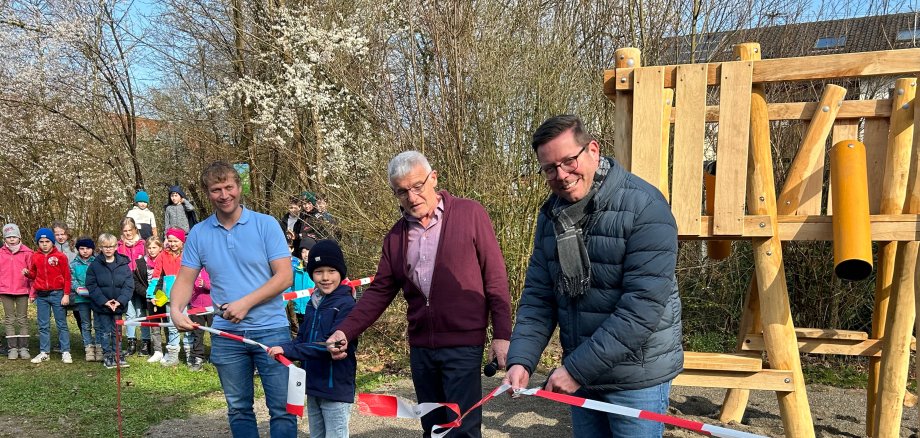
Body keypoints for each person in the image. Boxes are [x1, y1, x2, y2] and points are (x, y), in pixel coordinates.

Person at [503, 115, 683, 437]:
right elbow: (538, 298)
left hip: (634, 376)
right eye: (549, 168)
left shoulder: (646, 208)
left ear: (594, 150)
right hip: (583, 375)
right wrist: (522, 360)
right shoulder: (551, 218)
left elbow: (641, 309)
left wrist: (574, 369)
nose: (562, 175)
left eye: (568, 160)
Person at [325, 151, 512, 438]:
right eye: (402, 191)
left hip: (463, 344)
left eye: (417, 186)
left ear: (433, 178)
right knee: (433, 428)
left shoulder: (470, 213)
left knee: (462, 430)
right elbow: (379, 292)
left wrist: (502, 335)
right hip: (422, 349)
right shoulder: (395, 237)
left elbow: (495, 277)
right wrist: (345, 331)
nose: (411, 197)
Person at [169, 161, 296, 437]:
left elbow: (285, 277)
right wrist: (175, 309)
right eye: (216, 189)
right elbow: (185, 279)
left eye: (229, 187)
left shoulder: (266, 225)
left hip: (271, 329)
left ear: (239, 188)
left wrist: (246, 303)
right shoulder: (199, 234)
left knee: (283, 409)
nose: (224, 195)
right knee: (238, 408)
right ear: (208, 193)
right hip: (225, 334)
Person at [268, 239, 357, 438]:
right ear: (311, 274)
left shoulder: (347, 305)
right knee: (317, 435)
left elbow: (329, 345)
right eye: (318, 272)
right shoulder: (312, 303)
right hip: (313, 385)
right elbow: (301, 339)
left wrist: (289, 351)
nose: (325, 277)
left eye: (331, 271)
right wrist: (282, 348)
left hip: (336, 388)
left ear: (341, 273)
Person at [86, 233, 133, 369]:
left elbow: (129, 285)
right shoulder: (94, 266)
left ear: (116, 246)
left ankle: (118, 353)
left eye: (111, 246)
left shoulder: (124, 264)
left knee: (117, 331)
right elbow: (91, 285)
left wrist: (120, 301)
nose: (108, 249)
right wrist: (104, 301)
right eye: (105, 247)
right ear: (100, 247)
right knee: (105, 331)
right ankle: (108, 354)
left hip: (118, 305)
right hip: (103, 305)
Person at [26, 227, 73, 364]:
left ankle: (65, 351)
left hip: (57, 293)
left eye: (47, 241)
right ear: (38, 243)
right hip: (42, 296)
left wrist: (66, 294)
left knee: (61, 324)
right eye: (41, 241)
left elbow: (67, 277)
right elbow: (35, 275)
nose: (44, 244)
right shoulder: (35, 256)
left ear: (52, 242)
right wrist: (28, 274)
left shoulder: (60, 257)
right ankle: (44, 352)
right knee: (43, 324)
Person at [147, 228, 186, 366]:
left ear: (182, 241)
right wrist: (150, 293)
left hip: (186, 296)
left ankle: (190, 355)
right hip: (170, 297)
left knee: (187, 325)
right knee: (172, 326)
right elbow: (156, 275)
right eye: (170, 241)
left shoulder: (188, 254)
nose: (173, 243)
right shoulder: (163, 255)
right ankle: (173, 356)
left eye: (176, 241)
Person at [117, 217, 150, 356]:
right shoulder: (119, 246)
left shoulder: (143, 244)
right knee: (130, 313)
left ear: (135, 229)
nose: (128, 233)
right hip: (125, 283)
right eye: (125, 231)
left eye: (130, 230)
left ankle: (146, 342)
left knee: (141, 312)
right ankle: (131, 342)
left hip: (140, 283)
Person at [1, 223, 32, 359]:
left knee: (22, 319)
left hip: (22, 290)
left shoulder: (28, 252)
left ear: (19, 237)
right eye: (9, 237)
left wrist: (32, 291)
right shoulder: (1, 253)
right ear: (4, 239)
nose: (12, 239)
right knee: (9, 319)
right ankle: (12, 348)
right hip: (5, 290)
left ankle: (24, 347)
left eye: (14, 236)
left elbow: (33, 273)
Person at [70, 237, 102, 361]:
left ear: (92, 249)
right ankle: (88, 347)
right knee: (85, 324)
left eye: (87, 248)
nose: (85, 251)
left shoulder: (97, 262)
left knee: (98, 324)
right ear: (78, 250)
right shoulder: (74, 264)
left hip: (96, 298)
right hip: (81, 299)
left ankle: (99, 347)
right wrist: (77, 288)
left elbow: (101, 278)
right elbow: (72, 279)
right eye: (82, 249)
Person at [140, 236, 166, 363]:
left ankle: (169, 349)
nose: (151, 250)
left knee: (167, 324)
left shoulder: (166, 259)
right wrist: (148, 294)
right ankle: (157, 350)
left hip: (164, 296)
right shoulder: (142, 262)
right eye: (149, 248)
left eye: (154, 247)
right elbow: (139, 279)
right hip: (150, 297)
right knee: (155, 325)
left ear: (160, 248)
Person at [186, 268, 212, 372]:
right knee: (197, 334)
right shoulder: (192, 269)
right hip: (196, 307)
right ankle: (198, 358)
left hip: (211, 307)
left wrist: (206, 285)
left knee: (214, 333)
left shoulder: (212, 268)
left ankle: (216, 356)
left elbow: (220, 286)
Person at [290, 237, 316, 327]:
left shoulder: (318, 270)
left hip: (312, 310)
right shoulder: (296, 270)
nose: (306, 254)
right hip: (297, 311)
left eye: (308, 250)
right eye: (303, 251)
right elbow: (290, 287)